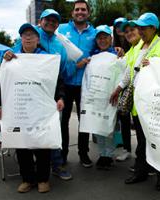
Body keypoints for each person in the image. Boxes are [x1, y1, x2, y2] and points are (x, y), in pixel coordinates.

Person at [0, 23, 65, 193]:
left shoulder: (47, 59)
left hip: (41, 110)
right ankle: (27, 179)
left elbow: (57, 81)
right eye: (24, 34)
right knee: (22, 144)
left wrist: (60, 97)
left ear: (37, 39)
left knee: (42, 144)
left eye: (31, 35)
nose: (28, 37)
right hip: (20, 108)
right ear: (20, 38)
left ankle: (42, 179)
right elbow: (3, 84)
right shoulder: (11, 59)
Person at [3, 9, 72, 180]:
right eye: (47, 20)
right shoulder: (25, 40)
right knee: (26, 135)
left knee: (52, 132)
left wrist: (60, 96)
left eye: (54, 20)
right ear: (40, 21)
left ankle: (56, 166)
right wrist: (6, 56)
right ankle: (31, 173)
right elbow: (5, 63)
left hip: (47, 99)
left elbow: (60, 74)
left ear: (57, 24)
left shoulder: (60, 45)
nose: (51, 23)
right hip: (25, 99)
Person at [110, 13, 160, 191]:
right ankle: (141, 171)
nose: (140, 31)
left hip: (155, 103)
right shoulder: (138, 47)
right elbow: (129, 71)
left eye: (144, 28)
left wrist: (156, 65)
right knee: (142, 140)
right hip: (139, 103)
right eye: (139, 28)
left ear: (154, 28)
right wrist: (118, 89)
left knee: (157, 140)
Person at [58, 0, 96, 167]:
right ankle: (62, 153)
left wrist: (116, 50)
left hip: (85, 85)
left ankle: (83, 153)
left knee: (85, 121)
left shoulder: (94, 33)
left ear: (88, 13)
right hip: (65, 83)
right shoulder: (61, 30)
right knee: (63, 121)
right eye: (77, 9)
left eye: (83, 10)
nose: (80, 12)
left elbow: (103, 50)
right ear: (72, 13)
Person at [87, 25, 118, 170]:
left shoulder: (117, 55)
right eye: (99, 38)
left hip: (111, 96)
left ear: (111, 38)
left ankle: (109, 155)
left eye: (105, 37)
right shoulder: (92, 56)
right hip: (96, 96)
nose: (102, 40)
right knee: (98, 126)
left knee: (109, 126)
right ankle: (102, 154)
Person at [111, 20, 141, 162]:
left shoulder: (142, 46)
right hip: (126, 91)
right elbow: (127, 72)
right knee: (124, 120)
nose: (128, 33)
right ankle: (128, 150)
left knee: (143, 129)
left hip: (139, 94)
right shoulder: (121, 47)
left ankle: (147, 162)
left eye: (131, 30)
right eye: (124, 30)